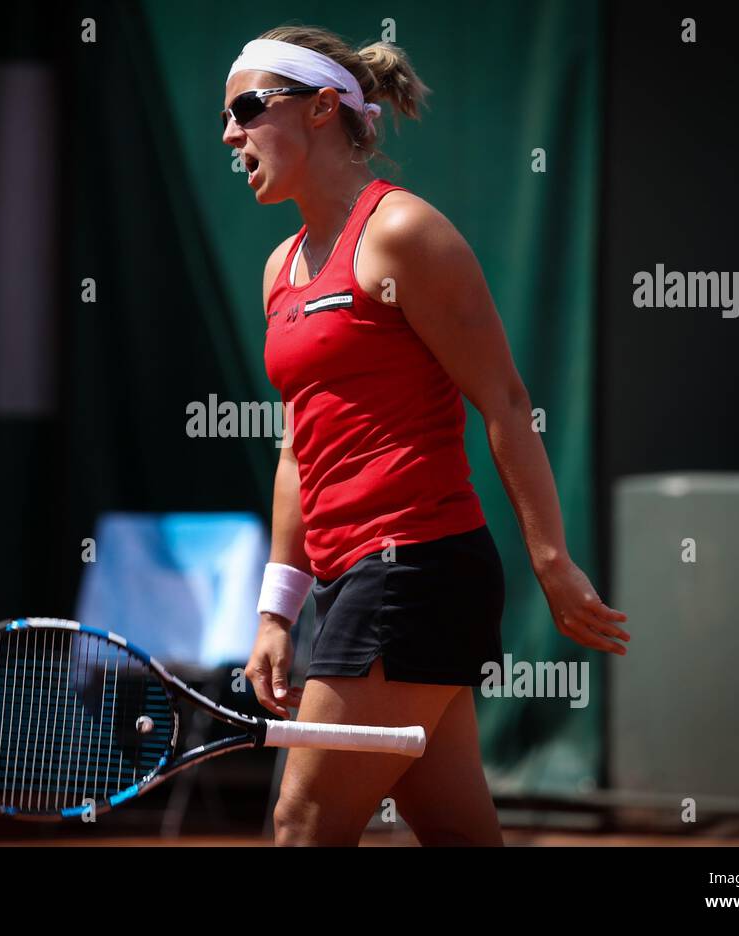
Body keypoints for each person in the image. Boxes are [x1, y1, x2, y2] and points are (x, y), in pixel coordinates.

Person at [226, 27, 629, 846]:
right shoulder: (280, 270)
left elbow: (506, 403)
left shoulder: (405, 234)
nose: (230, 133)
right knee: (456, 831)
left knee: (303, 823)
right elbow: (298, 449)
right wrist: (277, 611)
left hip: (412, 569)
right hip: (351, 581)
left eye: (247, 108)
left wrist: (552, 562)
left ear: (322, 109)